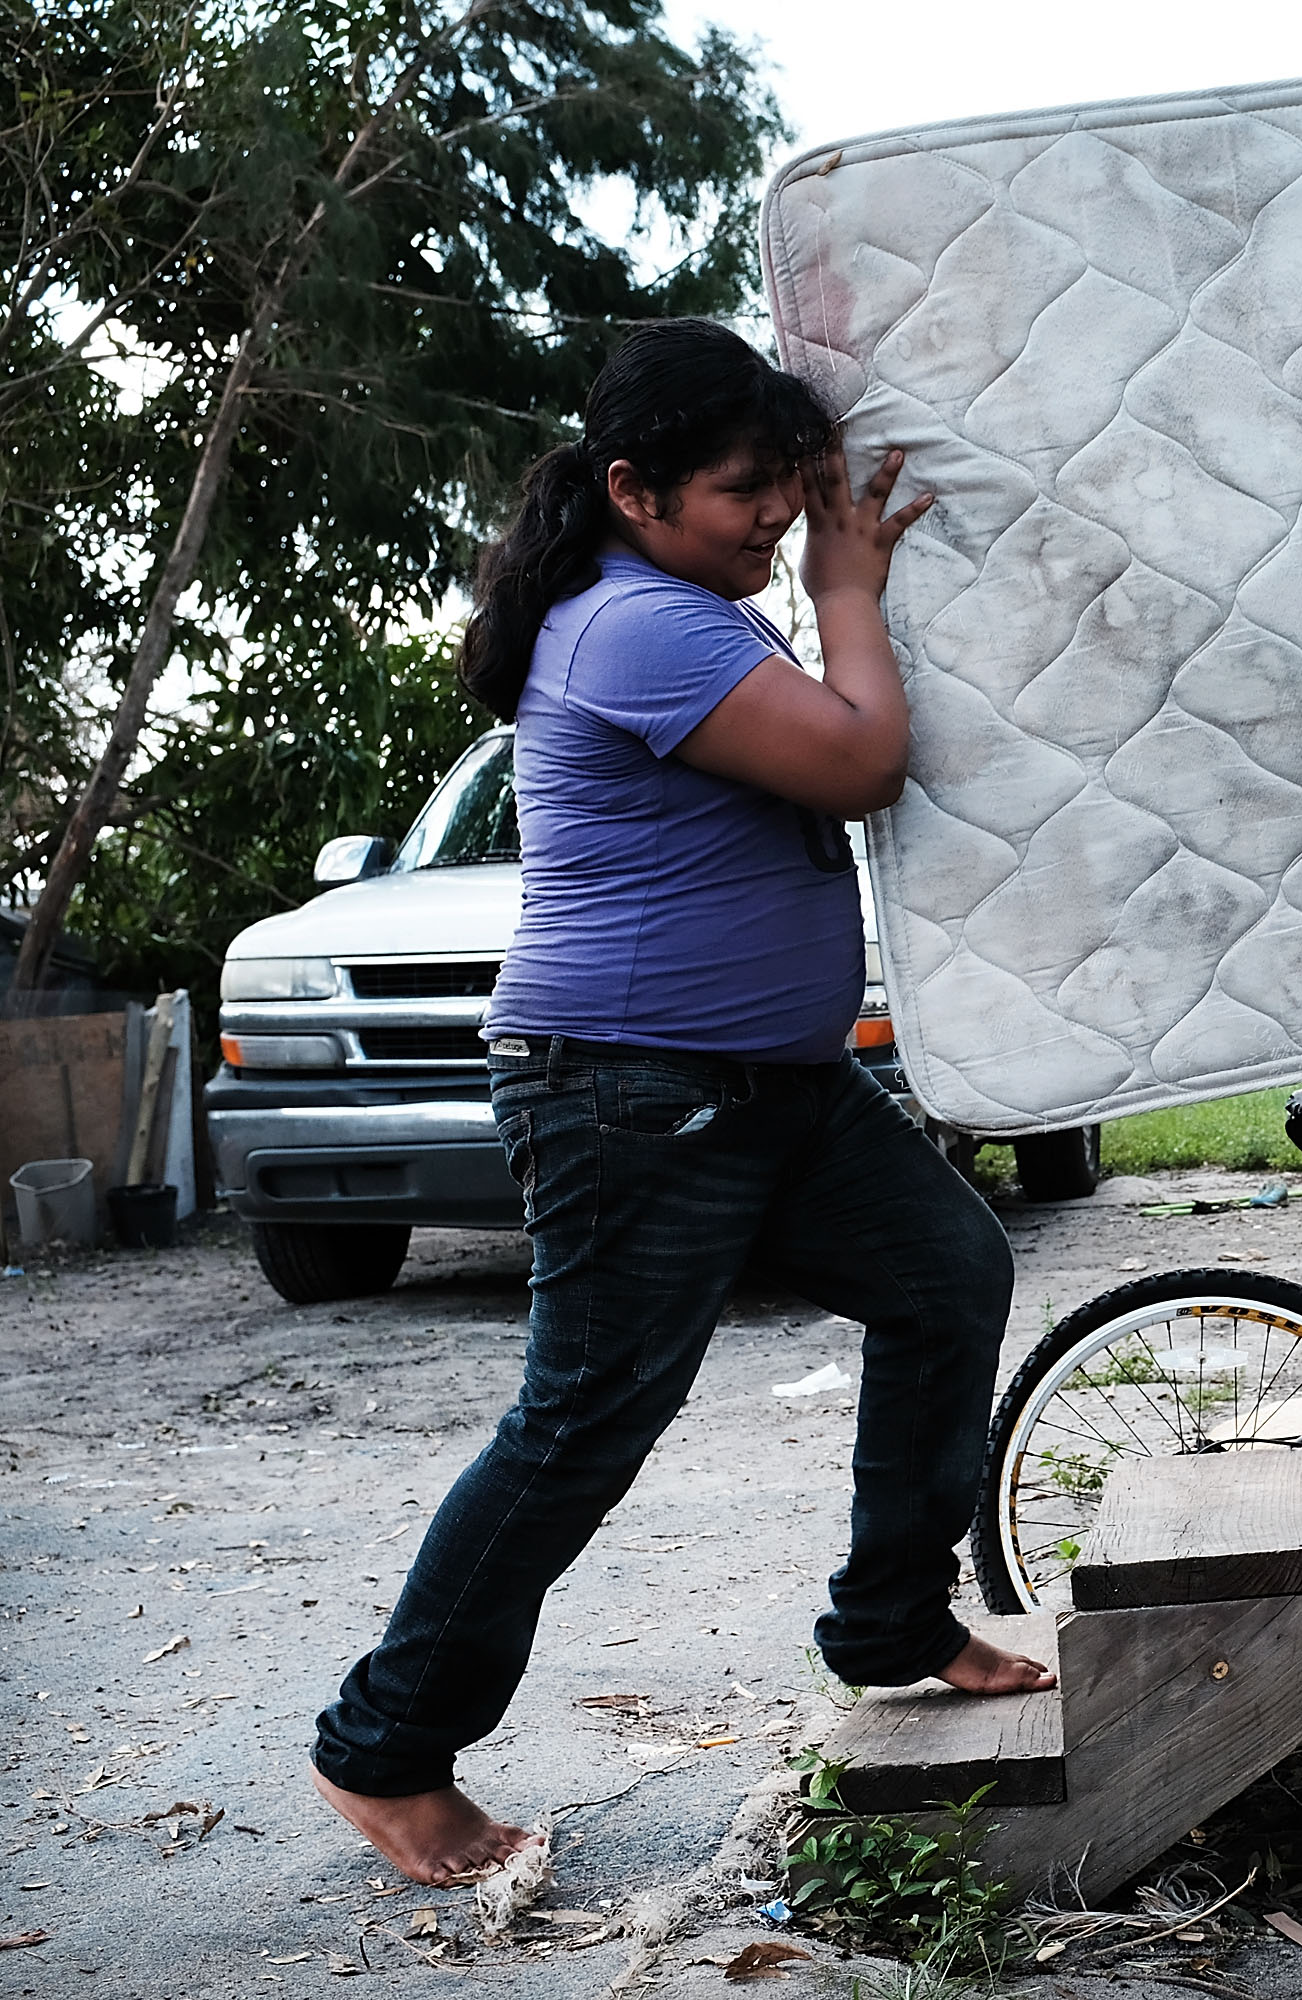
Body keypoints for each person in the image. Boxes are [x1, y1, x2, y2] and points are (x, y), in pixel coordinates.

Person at [308, 319, 1051, 1887]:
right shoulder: (638, 625)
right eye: (745, 494)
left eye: (789, 489)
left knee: (946, 1272)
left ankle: (891, 1624)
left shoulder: (680, 607)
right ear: (634, 490)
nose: (779, 519)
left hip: (771, 1086)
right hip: (631, 1091)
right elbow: (859, 763)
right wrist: (847, 592)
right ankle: (383, 1751)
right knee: (584, 1420)